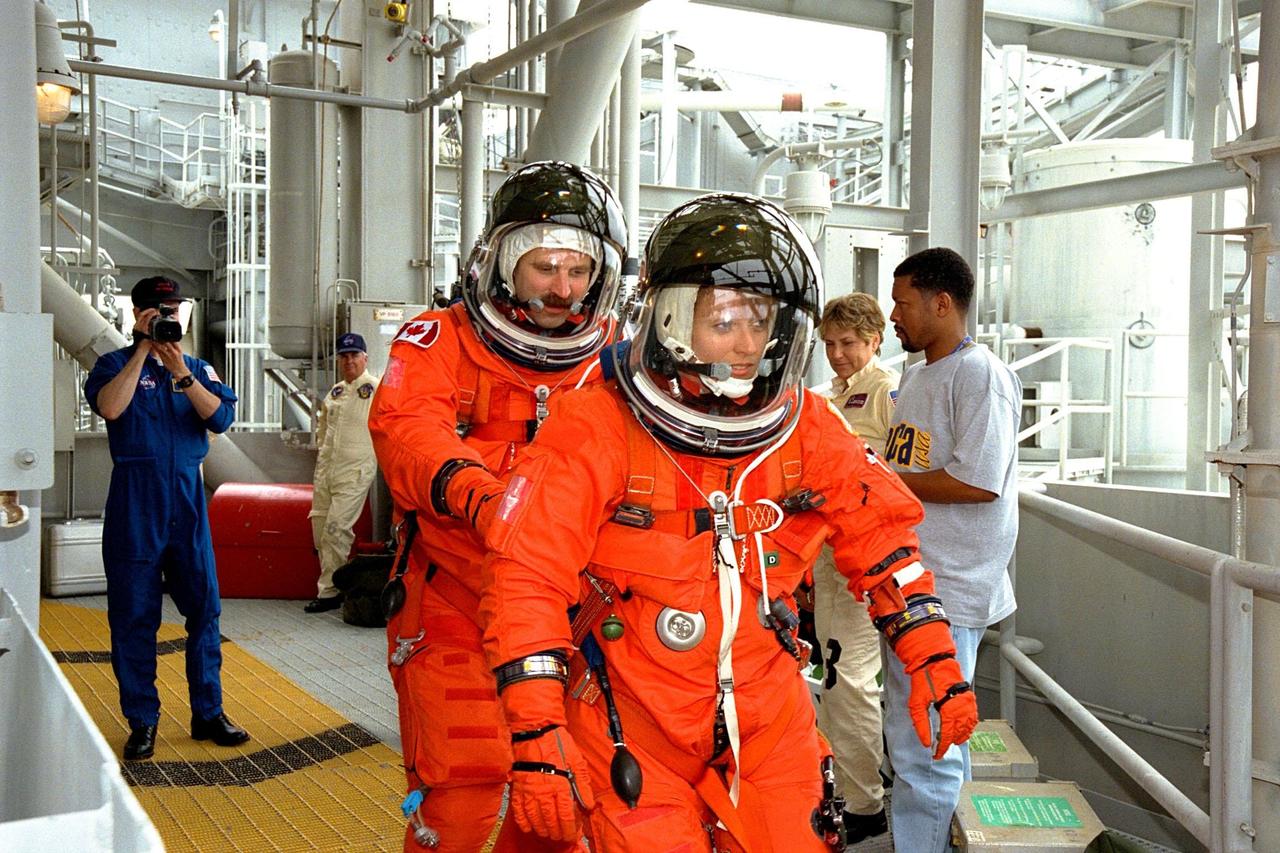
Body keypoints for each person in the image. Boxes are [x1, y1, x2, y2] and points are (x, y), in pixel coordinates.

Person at [477, 194, 978, 852]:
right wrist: (539, 735)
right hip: (633, 720)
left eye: (762, 321)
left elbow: (883, 543)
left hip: (768, 715)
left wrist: (934, 659)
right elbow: (527, 581)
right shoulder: (595, 426)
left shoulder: (805, 429)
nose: (748, 344)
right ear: (674, 320)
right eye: (727, 320)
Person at [367, 161, 627, 853]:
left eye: (577, 271)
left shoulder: (616, 366)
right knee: (459, 801)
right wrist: (483, 495)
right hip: (455, 599)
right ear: (504, 262)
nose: (562, 287)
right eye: (544, 267)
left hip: (570, 613)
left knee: (560, 804)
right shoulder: (440, 339)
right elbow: (407, 432)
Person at [882, 247, 1022, 852]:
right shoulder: (917, 374)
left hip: (950, 590)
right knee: (921, 734)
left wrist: (880, 479)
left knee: (928, 741)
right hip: (913, 581)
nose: (894, 316)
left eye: (904, 304)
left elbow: (978, 481)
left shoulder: (979, 375)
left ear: (943, 304)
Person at [84, 276, 250, 761]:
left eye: (173, 311)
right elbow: (112, 407)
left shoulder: (198, 368)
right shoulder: (112, 365)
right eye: (157, 312)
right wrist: (140, 350)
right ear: (138, 314)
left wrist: (180, 371)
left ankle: (208, 712)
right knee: (134, 616)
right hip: (135, 504)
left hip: (186, 500)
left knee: (204, 608)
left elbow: (219, 419)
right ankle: (142, 720)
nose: (167, 319)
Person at [809, 292, 899, 843]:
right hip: (829, 558)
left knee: (847, 682)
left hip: (864, 560)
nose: (838, 354)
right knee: (839, 676)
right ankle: (851, 783)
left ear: (874, 342)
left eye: (849, 343)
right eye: (831, 345)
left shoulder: (889, 394)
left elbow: (903, 475)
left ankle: (864, 805)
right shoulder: (832, 398)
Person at [306, 332, 380, 613]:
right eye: (344, 356)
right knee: (320, 529)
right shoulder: (335, 392)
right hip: (327, 471)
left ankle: (330, 592)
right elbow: (323, 431)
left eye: (354, 356)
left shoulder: (376, 389)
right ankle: (334, 584)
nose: (349, 361)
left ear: (365, 358)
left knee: (337, 530)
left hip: (355, 470)